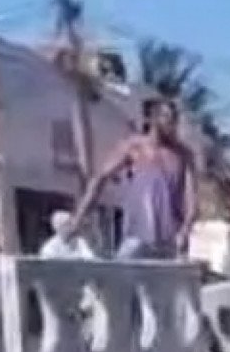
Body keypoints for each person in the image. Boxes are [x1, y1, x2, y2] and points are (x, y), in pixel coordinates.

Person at [72, 94, 196, 259]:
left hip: (170, 238)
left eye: (174, 119)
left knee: (167, 283)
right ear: (152, 119)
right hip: (136, 234)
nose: (171, 123)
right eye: (166, 117)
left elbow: (191, 199)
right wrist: (78, 218)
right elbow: (100, 178)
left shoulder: (182, 155)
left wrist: (185, 230)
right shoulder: (134, 147)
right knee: (122, 279)